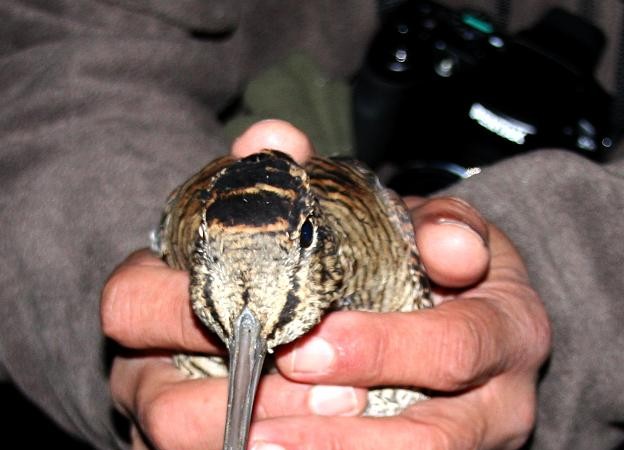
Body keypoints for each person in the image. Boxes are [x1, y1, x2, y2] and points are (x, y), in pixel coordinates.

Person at [1, 1, 622, 449]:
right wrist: (108, 319)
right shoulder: (203, 254)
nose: (250, 328)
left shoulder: (365, 235)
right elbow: (54, 51)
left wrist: (558, 291)